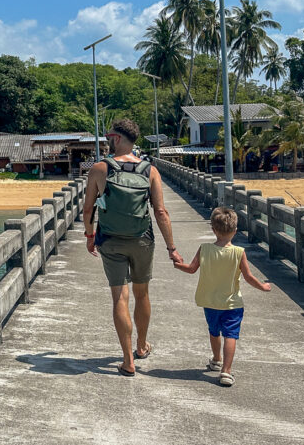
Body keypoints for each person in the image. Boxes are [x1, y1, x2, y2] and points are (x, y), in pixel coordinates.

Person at [83, 119, 180, 376]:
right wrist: (172, 248)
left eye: (107, 137)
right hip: (142, 240)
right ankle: (141, 346)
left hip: (111, 240)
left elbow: (88, 209)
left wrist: (90, 236)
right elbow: (160, 211)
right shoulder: (150, 171)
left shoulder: (99, 169)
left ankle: (128, 361)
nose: (106, 141)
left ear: (116, 138)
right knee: (142, 294)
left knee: (119, 297)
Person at [172, 207, 271, 387]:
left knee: (213, 331)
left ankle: (216, 359)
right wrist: (263, 286)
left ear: (213, 230)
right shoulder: (239, 252)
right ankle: (226, 371)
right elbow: (249, 277)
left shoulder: (205, 249)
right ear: (234, 231)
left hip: (210, 302)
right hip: (232, 303)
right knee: (231, 335)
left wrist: (178, 265)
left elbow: (191, 269)